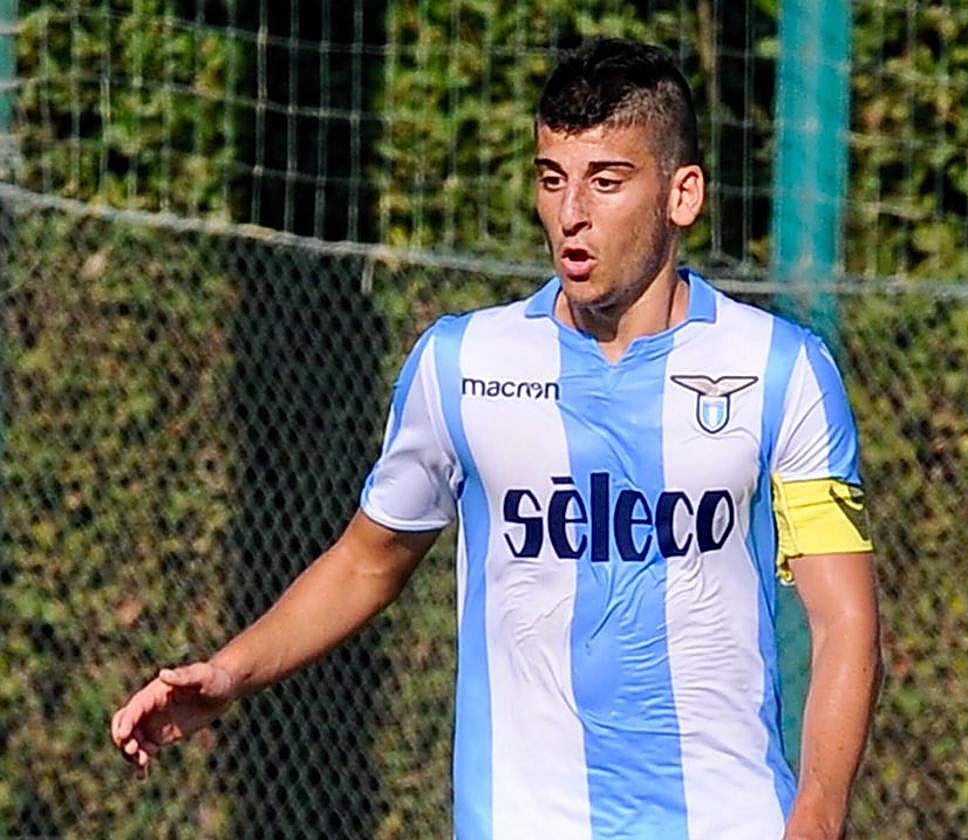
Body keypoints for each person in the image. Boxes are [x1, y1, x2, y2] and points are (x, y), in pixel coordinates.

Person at [110, 37, 881, 840]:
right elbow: (369, 559)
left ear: (682, 195)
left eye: (606, 181)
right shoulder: (463, 364)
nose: (571, 214)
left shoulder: (781, 370)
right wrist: (230, 673)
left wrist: (817, 815)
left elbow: (844, 623)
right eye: (552, 179)